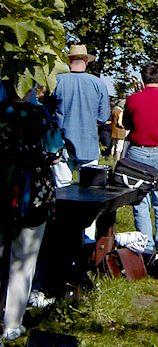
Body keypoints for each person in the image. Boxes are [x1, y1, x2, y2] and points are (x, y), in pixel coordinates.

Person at [0, 84, 56, 341]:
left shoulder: (2, 112)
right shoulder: (40, 115)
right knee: (24, 260)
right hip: (33, 192)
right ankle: (12, 323)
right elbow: (55, 151)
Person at [123, 62, 158, 255]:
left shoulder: (132, 99)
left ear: (142, 78)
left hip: (138, 152)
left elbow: (126, 124)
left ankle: (145, 245)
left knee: (140, 200)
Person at [53, 44, 111, 187]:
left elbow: (49, 112)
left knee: (61, 188)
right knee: (88, 190)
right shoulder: (98, 83)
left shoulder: (57, 82)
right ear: (86, 60)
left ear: (68, 61)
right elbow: (103, 116)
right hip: (88, 143)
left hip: (61, 143)